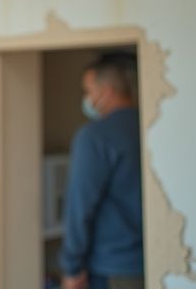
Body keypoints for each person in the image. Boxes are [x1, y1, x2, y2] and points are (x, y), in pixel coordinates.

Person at [60, 53, 144, 289]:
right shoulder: (151, 127)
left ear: (106, 91)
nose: (87, 98)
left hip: (112, 268)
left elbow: (80, 207)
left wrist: (72, 267)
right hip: (151, 261)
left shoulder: (94, 137)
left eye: (88, 91)